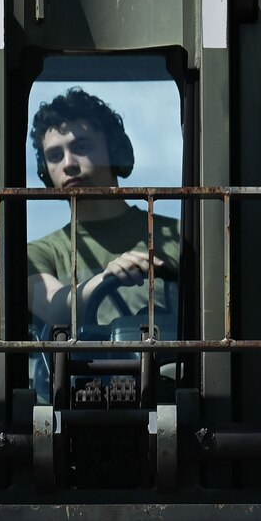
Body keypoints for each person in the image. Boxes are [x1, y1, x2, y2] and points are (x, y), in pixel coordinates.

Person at [25, 88, 180, 340]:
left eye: (82, 147)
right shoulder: (40, 254)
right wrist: (106, 279)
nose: (68, 164)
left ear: (115, 151)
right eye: (55, 156)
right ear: (45, 173)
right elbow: (54, 307)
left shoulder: (180, 237)